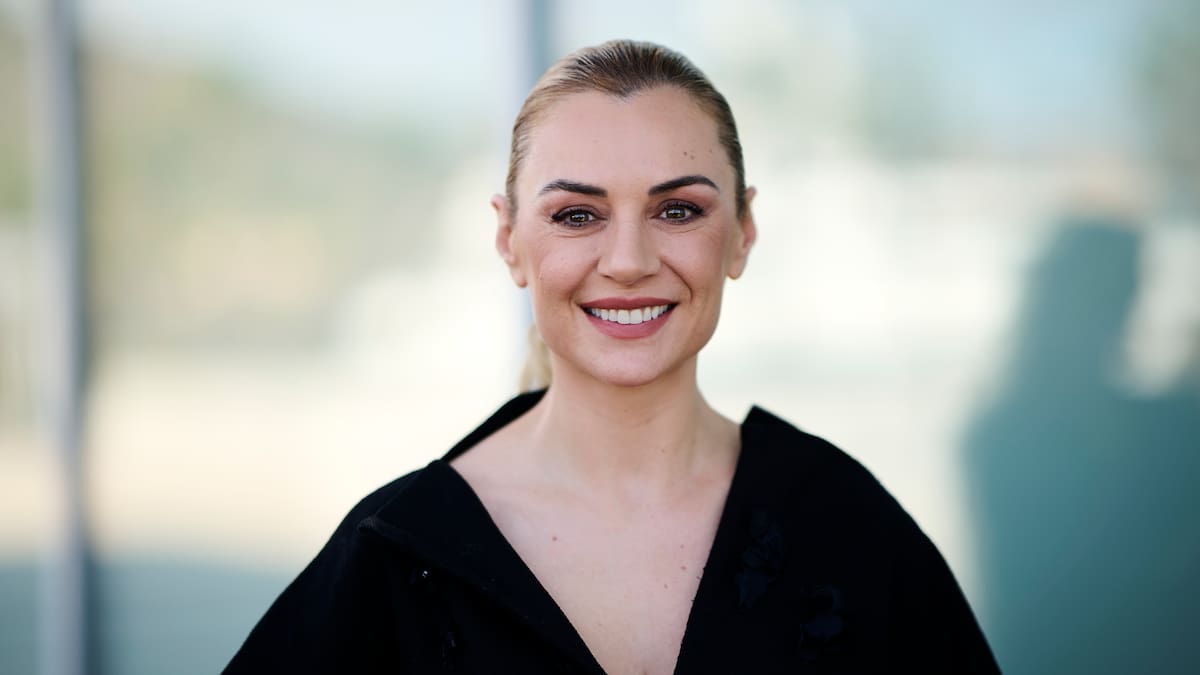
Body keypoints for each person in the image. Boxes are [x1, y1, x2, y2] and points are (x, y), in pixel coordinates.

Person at [225, 39, 998, 674]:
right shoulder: (396, 553)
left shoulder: (848, 528)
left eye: (677, 209)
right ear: (508, 240)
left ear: (743, 232)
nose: (628, 260)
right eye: (577, 214)